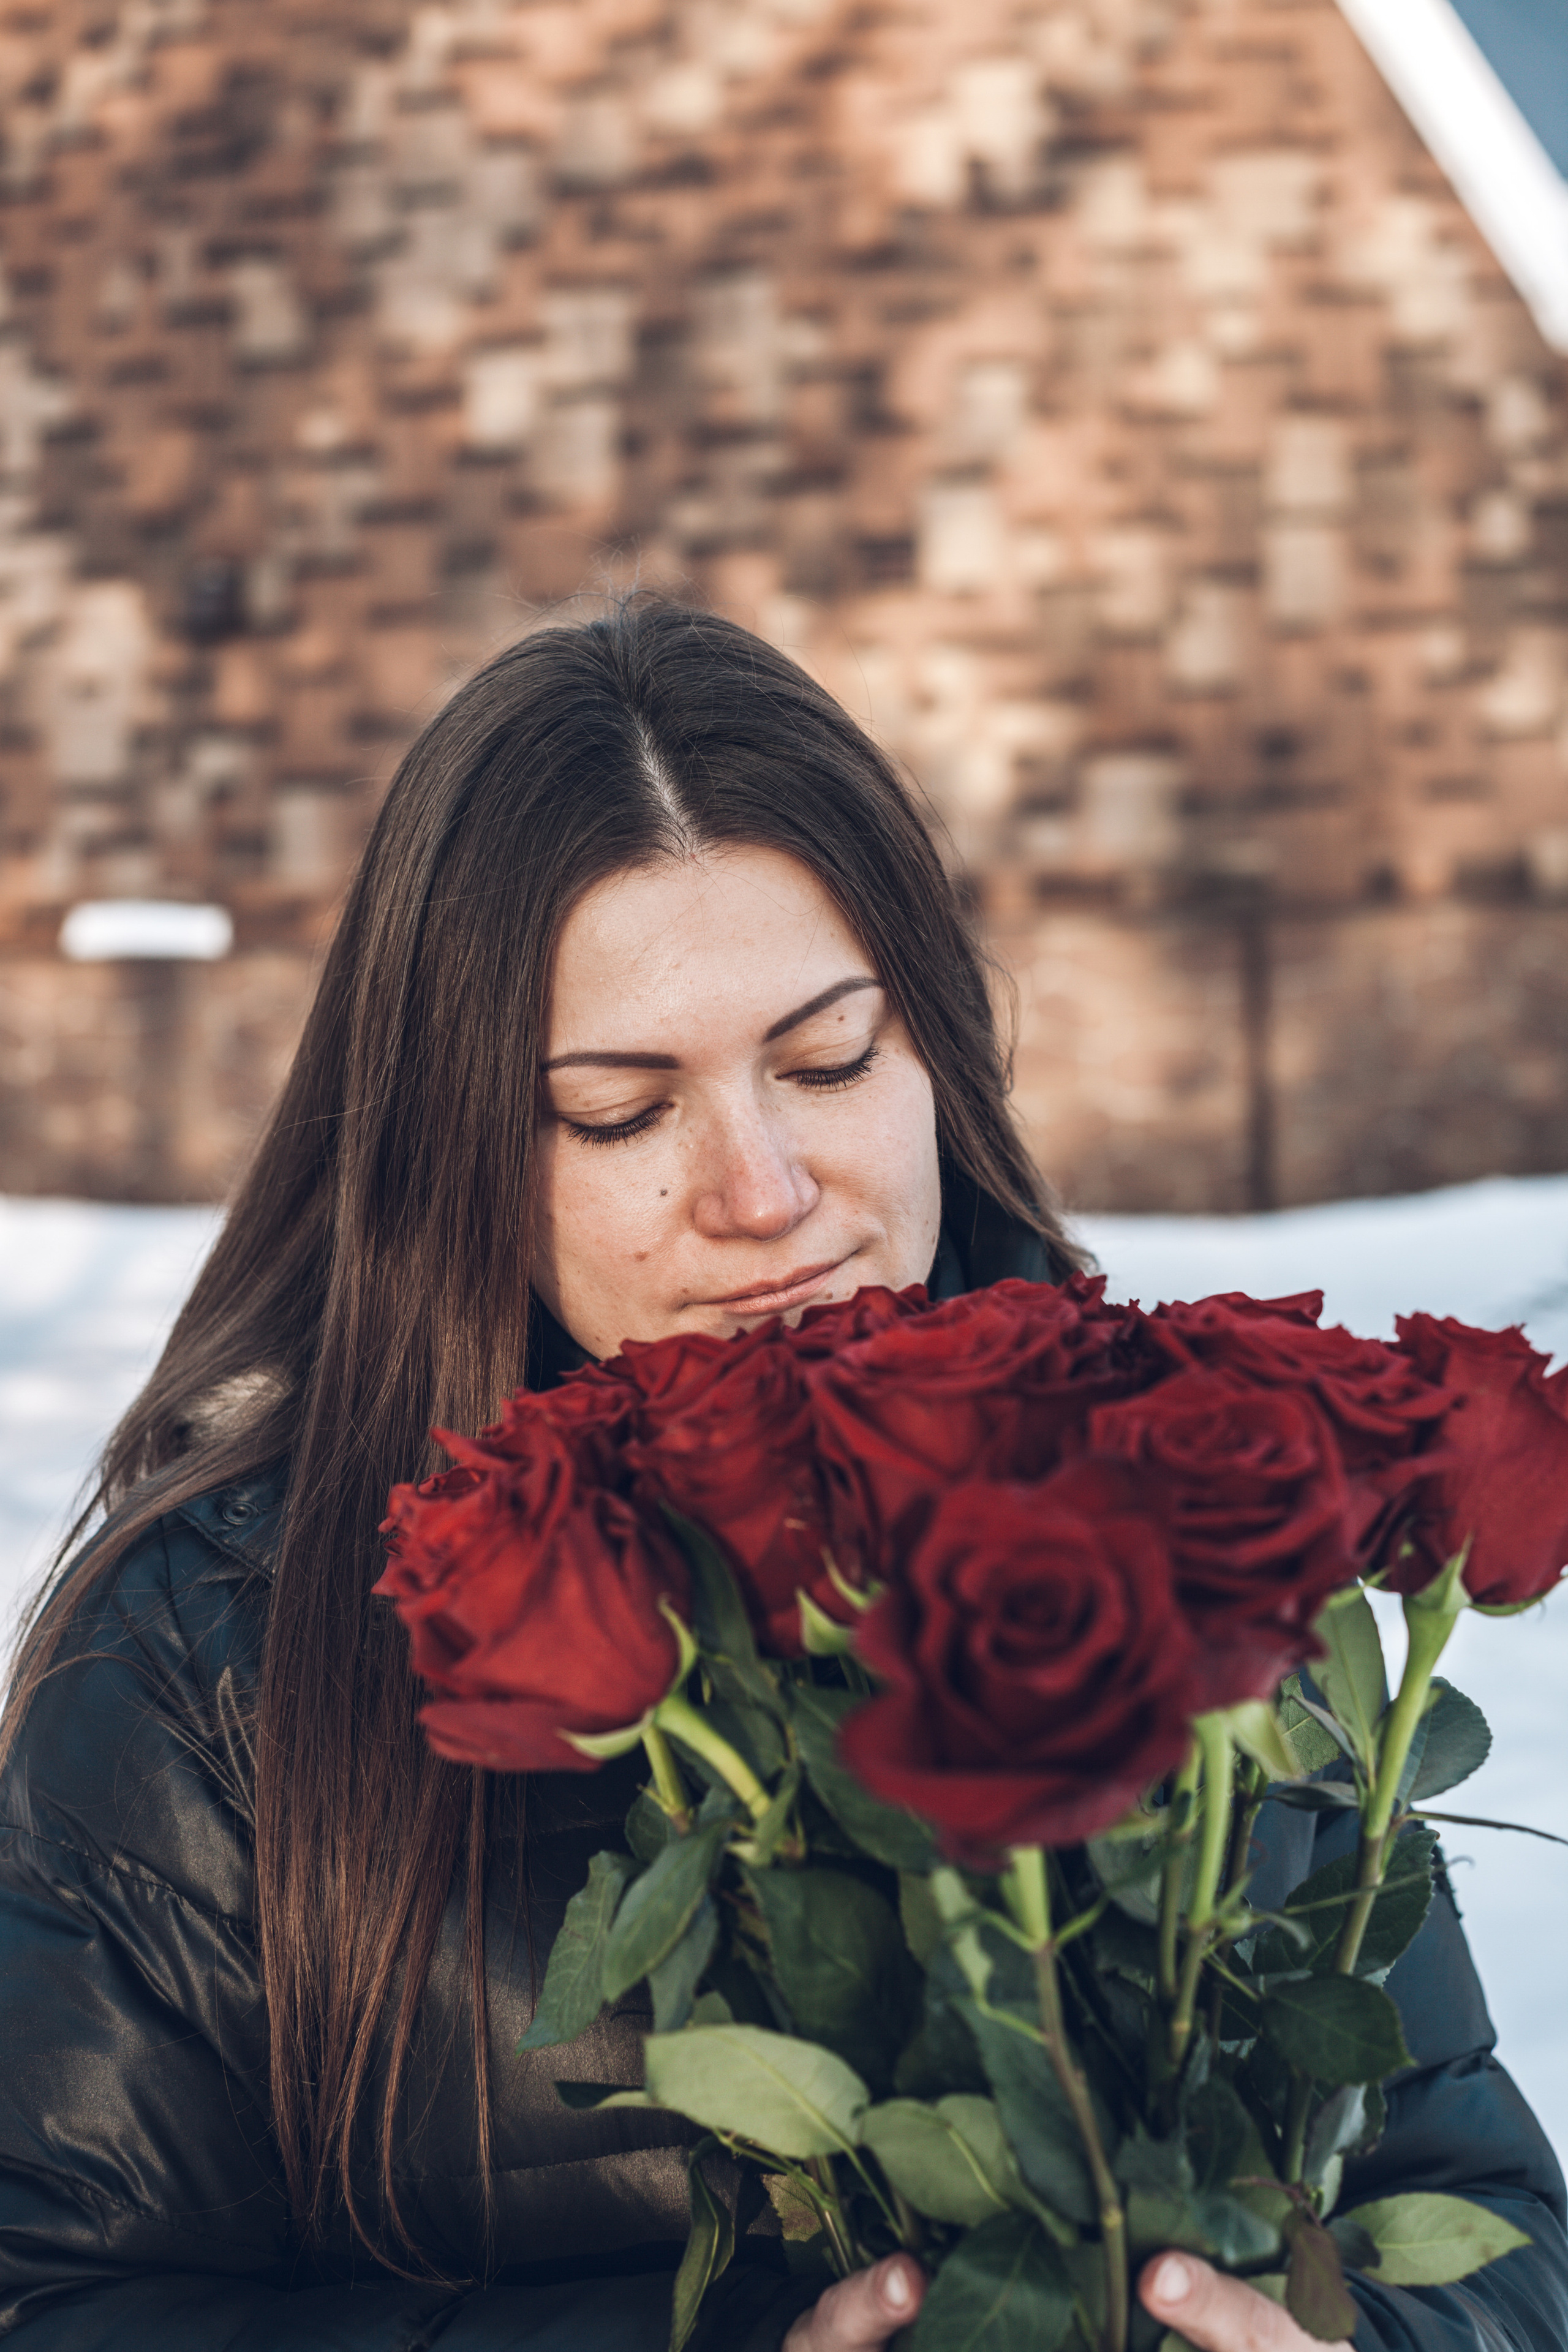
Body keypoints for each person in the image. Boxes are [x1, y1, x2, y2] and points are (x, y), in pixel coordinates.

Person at [0, 600, 1562, 2352]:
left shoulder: (1180, 1505)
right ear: (460, 1147)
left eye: (827, 1061)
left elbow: (1496, 2226)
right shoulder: (202, 1660)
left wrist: (1349, 2341)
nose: (761, 1192)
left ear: (938, 1053)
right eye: (620, 1110)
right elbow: (60, 2306)